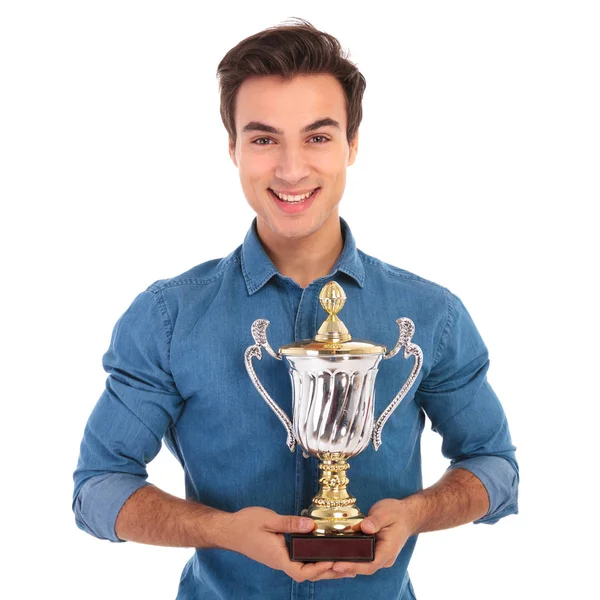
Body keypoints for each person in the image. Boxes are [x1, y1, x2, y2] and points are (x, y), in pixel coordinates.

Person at [73, 18, 519, 599]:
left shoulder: (432, 314)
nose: (290, 168)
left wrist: (417, 513)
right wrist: (222, 531)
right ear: (232, 146)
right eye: (263, 139)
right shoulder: (168, 317)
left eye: (317, 136)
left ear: (352, 145)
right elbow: (98, 490)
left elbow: (495, 468)